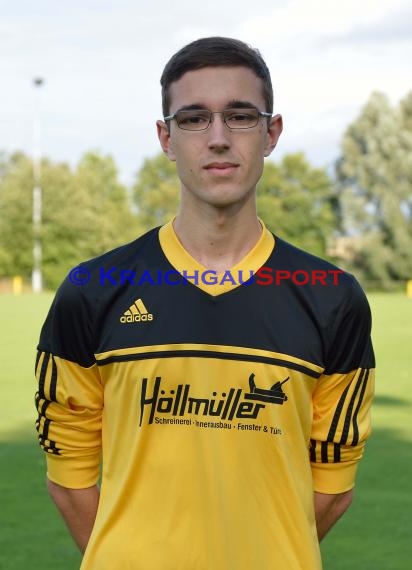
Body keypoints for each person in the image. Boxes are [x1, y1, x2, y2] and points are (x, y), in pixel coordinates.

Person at [35, 36, 375, 570]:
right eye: (194, 119)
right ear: (166, 138)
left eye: (240, 116)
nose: (218, 138)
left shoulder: (332, 297)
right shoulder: (94, 289)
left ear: (272, 133)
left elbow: (332, 486)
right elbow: (70, 474)